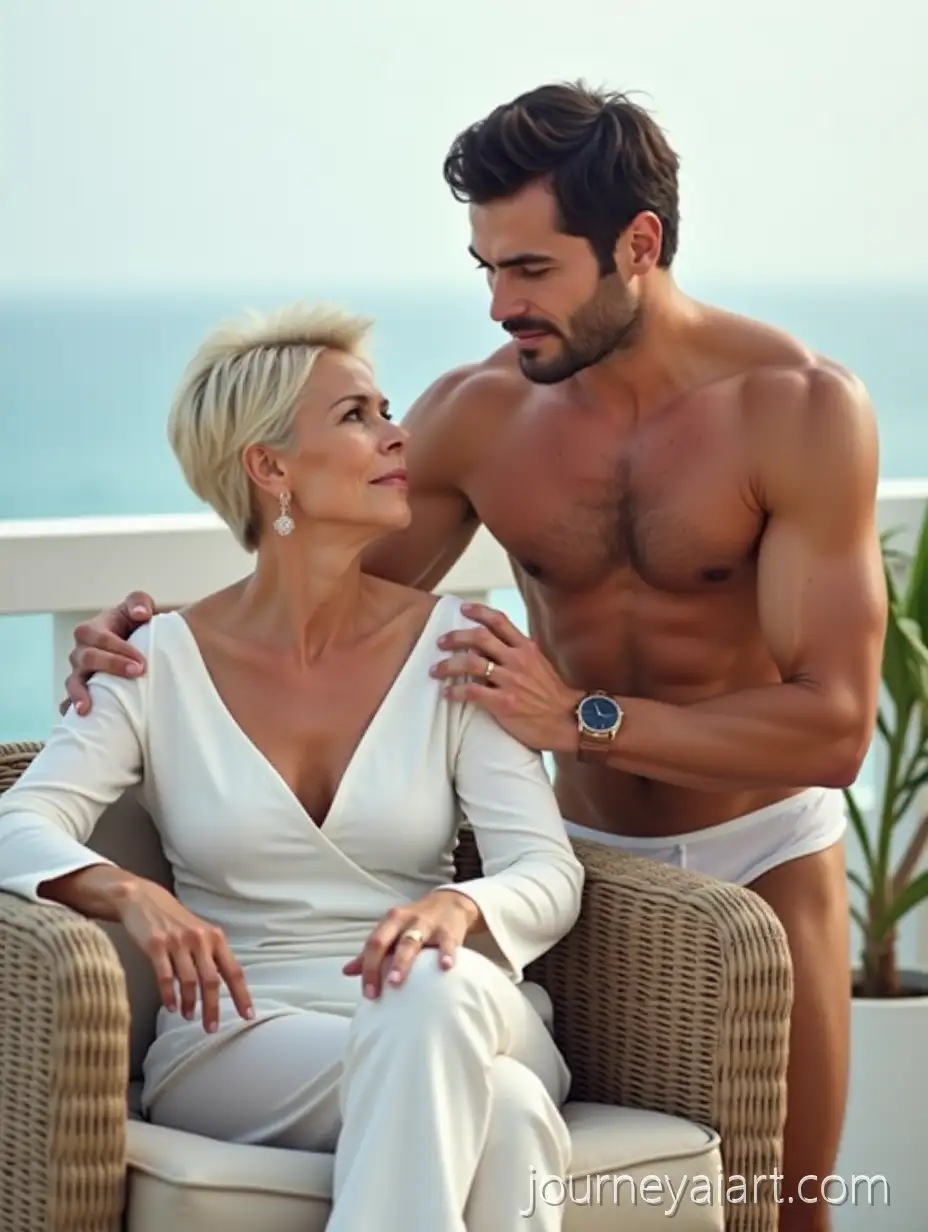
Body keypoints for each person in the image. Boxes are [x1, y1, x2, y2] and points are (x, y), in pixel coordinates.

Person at [62, 83, 885, 1229]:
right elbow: (326, 619)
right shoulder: (481, 416)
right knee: (492, 1122)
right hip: (578, 867)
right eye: (483, 267)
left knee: (784, 1210)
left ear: (636, 245)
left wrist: (581, 719)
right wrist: (147, 646)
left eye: (531, 269)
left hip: (762, 859)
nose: (498, 303)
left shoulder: (796, 409)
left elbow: (836, 727)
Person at [0, 302, 586, 1232]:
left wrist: (463, 906)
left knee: (428, 992)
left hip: (463, 996)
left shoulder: (454, 651)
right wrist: (127, 892)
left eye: (387, 410)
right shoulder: (154, 665)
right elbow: (16, 824)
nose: (398, 436)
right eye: (357, 417)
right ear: (269, 468)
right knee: (507, 1114)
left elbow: (547, 873)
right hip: (244, 1031)